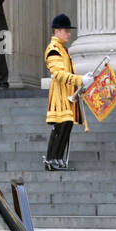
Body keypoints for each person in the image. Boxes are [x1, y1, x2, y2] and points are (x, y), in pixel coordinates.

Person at [43, 13, 82, 171]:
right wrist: (79, 80)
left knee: (66, 126)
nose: (68, 33)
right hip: (59, 93)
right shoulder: (53, 49)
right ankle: (51, 159)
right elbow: (58, 73)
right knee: (60, 126)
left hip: (67, 92)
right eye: (65, 30)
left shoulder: (62, 49)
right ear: (57, 31)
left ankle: (57, 158)